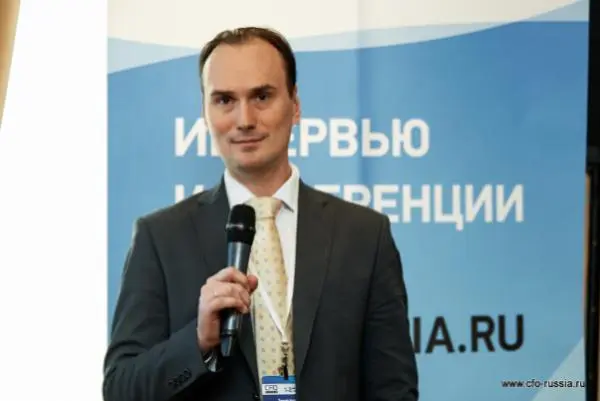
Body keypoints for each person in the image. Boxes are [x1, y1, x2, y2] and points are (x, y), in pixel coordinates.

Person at [102, 26, 419, 401]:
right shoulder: (160, 238)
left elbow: (393, 390)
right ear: (205, 112)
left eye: (262, 96)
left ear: (295, 104)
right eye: (224, 100)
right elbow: (121, 390)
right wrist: (197, 341)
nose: (245, 119)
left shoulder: (365, 235)